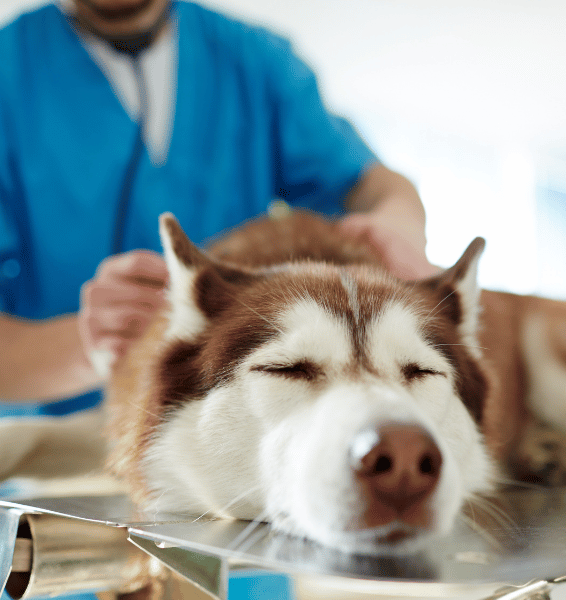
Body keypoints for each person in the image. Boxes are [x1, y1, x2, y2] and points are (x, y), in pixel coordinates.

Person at [0, 0, 436, 418]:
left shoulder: (256, 61)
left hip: (234, 423)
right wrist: (96, 343)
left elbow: (377, 186)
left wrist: (393, 226)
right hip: (58, 449)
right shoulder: (10, 71)